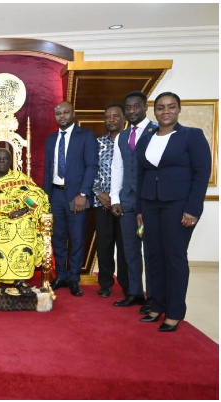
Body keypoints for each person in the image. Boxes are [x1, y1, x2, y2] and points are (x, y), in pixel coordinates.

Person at [136, 92, 211, 332]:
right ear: (154, 111)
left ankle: (176, 311)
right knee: (154, 256)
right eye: (160, 107)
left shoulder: (192, 136)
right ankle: (156, 304)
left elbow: (201, 174)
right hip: (149, 204)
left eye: (171, 107)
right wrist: (139, 209)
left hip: (178, 206)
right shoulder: (146, 139)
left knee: (174, 257)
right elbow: (140, 175)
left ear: (179, 110)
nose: (165, 111)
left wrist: (193, 209)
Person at [0, 149, 50, 297]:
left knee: (25, 228)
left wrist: (23, 210)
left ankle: (20, 279)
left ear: (10, 161)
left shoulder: (19, 178)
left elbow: (35, 198)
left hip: (14, 216)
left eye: (5, 159)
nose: (2, 161)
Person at [43, 101, 98, 297]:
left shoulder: (86, 136)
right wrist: (46, 198)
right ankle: (62, 276)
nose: (62, 116)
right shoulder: (51, 139)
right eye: (58, 113)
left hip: (76, 196)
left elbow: (92, 166)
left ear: (73, 114)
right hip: (56, 194)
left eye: (66, 112)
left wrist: (83, 193)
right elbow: (48, 170)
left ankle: (74, 279)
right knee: (57, 237)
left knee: (76, 238)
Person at [110, 91, 158, 312]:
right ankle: (135, 293)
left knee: (151, 251)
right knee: (129, 250)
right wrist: (115, 198)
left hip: (150, 201)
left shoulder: (157, 131)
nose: (131, 111)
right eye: (128, 108)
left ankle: (154, 297)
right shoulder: (122, 136)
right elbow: (117, 168)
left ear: (145, 107)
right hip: (127, 200)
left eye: (136, 107)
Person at [92, 104, 129, 298]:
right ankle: (105, 284)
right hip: (103, 203)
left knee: (125, 246)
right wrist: (99, 192)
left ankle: (127, 285)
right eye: (107, 117)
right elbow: (90, 169)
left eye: (115, 116)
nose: (111, 120)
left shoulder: (132, 141)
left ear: (124, 118)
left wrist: (120, 198)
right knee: (104, 245)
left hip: (126, 204)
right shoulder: (97, 143)